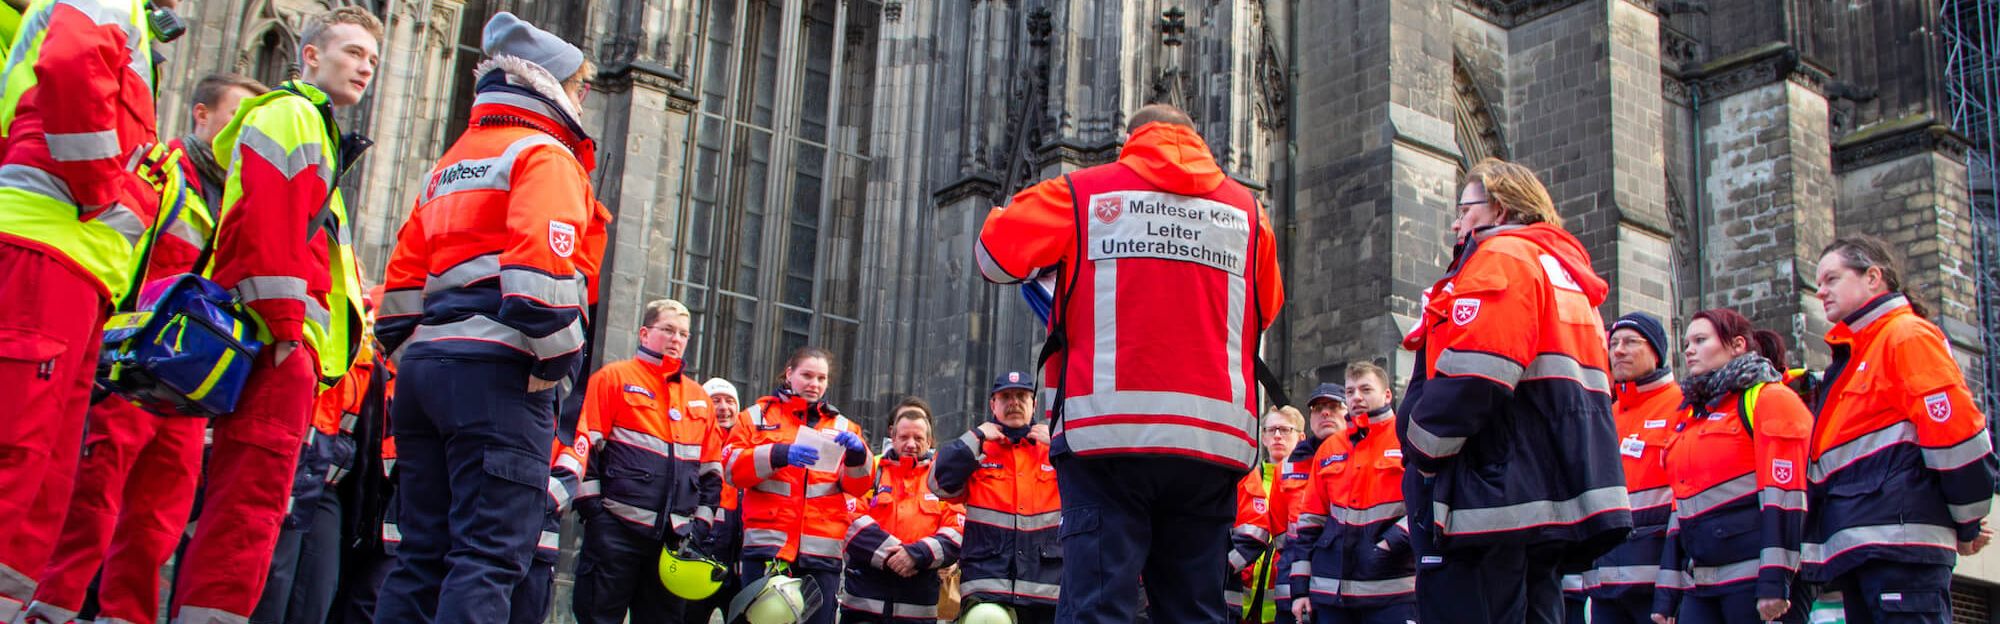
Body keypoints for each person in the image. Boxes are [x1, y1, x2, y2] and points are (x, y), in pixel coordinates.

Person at [974, 102, 1284, 623]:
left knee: (1099, 604)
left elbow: (993, 255)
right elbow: (1266, 308)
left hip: (1106, 437)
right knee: (1194, 609)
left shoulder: (1082, 192)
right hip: (1213, 441)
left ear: (1130, 142)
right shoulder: (1250, 214)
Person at [370, 11, 600, 622]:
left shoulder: (450, 163)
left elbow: (397, 299)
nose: (582, 100)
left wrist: (421, 358)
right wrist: (555, 369)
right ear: (549, 85)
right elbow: (538, 287)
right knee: (488, 557)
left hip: (423, 376)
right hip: (499, 375)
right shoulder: (543, 155)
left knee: (421, 555)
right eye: (579, 87)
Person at [17, 72, 261, 624]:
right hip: (130, 365)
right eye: (232, 120)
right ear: (200, 114)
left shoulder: (241, 199)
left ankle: (126, 616)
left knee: (160, 513)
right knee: (93, 495)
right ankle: (48, 610)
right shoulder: (160, 169)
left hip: (190, 381)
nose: (240, 137)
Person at [169, 8, 378, 623]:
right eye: (352, 52)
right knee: (250, 508)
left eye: (371, 57)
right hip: (278, 342)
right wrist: (288, 329)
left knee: (256, 510)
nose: (365, 66)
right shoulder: (291, 115)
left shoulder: (313, 123)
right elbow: (266, 223)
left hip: (290, 345)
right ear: (309, 56)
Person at [0, 0, 186, 616]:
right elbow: (71, 63)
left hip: (79, 270)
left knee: (44, 477)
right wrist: (101, 187)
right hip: (44, 247)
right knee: (16, 454)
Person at [1397, 157, 1631, 624]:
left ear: (1499, 209)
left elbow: (1477, 374)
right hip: (1537, 496)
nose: (1456, 222)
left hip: (1490, 493)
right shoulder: (1561, 271)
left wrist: (1421, 449)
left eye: (1465, 209)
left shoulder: (1504, 257)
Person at [1804, 236, 1997, 624]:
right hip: (1869, 545)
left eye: (1832, 278)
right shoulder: (1855, 354)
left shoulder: (1905, 336)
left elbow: (1956, 434)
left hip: (1899, 544)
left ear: (1873, 277)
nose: (1820, 290)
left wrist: (1967, 520)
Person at [569, 299, 724, 624]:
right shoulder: (613, 378)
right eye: (667, 329)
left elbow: (712, 472)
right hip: (616, 529)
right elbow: (586, 448)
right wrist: (595, 514)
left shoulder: (698, 398)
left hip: (673, 539)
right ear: (644, 333)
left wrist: (700, 525)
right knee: (598, 616)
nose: (676, 339)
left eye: (683, 333)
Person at [1650, 309, 1810, 624]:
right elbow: (1679, 508)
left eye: (1700, 339)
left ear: (1737, 345)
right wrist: (1667, 594)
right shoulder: (1692, 417)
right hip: (1703, 582)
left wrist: (1775, 579)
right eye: (1686, 343)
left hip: (1755, 579)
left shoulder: (1770, 399)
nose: (1689, 350)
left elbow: (1787, 494)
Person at [725, 347, 874, 624]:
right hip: (768, 549)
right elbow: (731, 469)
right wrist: (778, 454)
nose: (814, 384)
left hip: (821, 555)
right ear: (789, 374)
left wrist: (859, 455)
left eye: (821, 378)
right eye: (807, 375)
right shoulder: (755, 418)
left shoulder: (845, 426)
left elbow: (859, 487)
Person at [929, 372, 1063, 623]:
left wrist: (1060, 444)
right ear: (993, 405)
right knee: (987, 618)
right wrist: (976, 436)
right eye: (1006, 397)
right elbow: (937, 482)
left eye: (1022, 396)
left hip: (1046, 587)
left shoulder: (1052, 451)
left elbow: (1091, 488)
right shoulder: (977, 451)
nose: (1014, 402)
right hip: (987, 584)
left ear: (1034, 404)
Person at [1289, 361, 1415, 624]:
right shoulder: (1330, 447)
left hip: (1392, 587)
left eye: (1365, 389)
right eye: (1350, 391)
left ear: (1387, 394)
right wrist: (1300, 590)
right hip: (1332, 591)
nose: (1357, 397)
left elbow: (1426, 504)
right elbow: (1310, 521)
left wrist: (1389, 542)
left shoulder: (1407, 437)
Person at [1584, 312, 1681, 624]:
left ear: (1655, 350)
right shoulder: (1606, 413)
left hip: (1658, 580)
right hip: (1605, 581)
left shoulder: (1681, 404)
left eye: (1630, 342)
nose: (1619, 351)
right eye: (1614, 343)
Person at [841, 398, 965, 623]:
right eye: (904, 437)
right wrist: (894, 555)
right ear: (892, 437)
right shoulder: (873, 472)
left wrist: (917, 554)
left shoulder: (942, 480)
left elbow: (957, 530)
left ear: (929, 441)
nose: (911, 444)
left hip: (917, 606)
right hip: (864, 603)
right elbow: (849, 518)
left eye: (918, 438)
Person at [1227, 405, 1308, 623]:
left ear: (1301, 437)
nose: (1278, 436)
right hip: (1241, 596)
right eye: (1271, 430)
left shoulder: (1309, 481)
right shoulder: (1246, 478)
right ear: (1263, 437)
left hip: (1285, 598)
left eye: (1285, 430)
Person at [685, 376, 745, 623]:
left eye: (730, 401)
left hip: (737, 565)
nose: (724, 407)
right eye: (716, 400)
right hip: (699, 557)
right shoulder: (690, 444)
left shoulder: (746, 448)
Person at [1294, 384, 1349, 462]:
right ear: (1310, 419)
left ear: (1349, 412)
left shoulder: (1366, 452)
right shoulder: (1292, 461)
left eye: (1333, 406)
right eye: (1317, 408)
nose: (1324, 412)